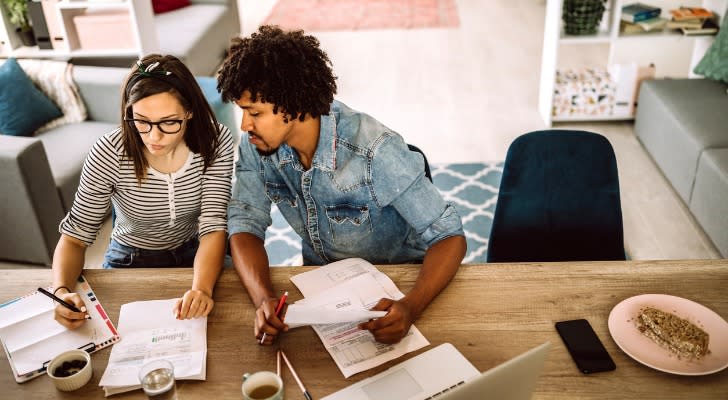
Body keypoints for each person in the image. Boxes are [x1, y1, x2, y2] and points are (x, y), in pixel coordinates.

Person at [217, 26, 467, 345]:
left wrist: (411, 306)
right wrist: (263, 298)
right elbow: (244, 223)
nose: (244, 125)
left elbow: (449, 237)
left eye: (254, 113)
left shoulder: (374, 151)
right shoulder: (255, 146)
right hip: (322, 289)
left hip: (398, 286)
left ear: (293, 105)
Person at [51, 54, 234, 329]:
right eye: (142, 121)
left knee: (228, 322)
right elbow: (76, 237)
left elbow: (213, 226)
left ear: (190, 111)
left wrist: (202, 289)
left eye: (168, 122)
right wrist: (60, 292)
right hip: (131, 258)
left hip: (198, 250)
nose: (153, 137)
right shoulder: (109, 152)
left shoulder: (216, 142)